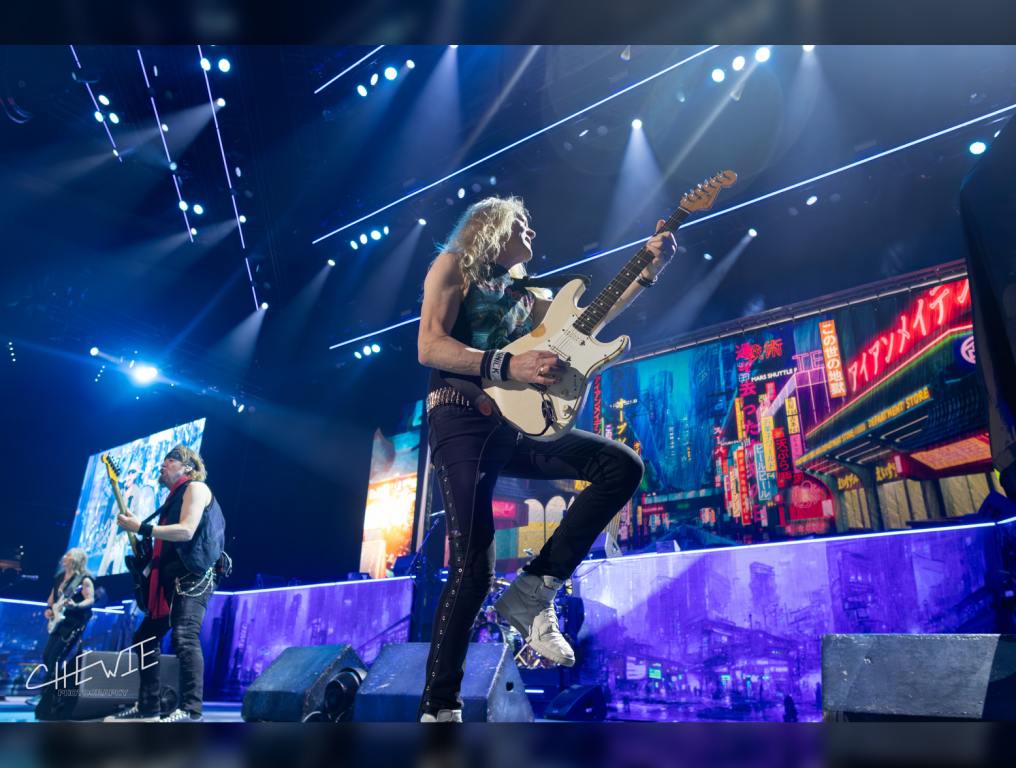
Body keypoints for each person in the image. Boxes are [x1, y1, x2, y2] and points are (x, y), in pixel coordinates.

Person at [416, 196, 675, 722]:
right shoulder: (451, 266)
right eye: (522, 223)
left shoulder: (527, 295)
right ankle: (438, 708)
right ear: (492, 227)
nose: (532, 230)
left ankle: (534, 590)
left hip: (515, 423)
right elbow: (429, 346)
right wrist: (506, 361)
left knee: (620, 465)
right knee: (473, 567)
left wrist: (648, 267)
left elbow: (587, 321)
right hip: (461, 418)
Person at [105, 445, 226, 723]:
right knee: (144, 640)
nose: (162, 465)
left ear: (187, 467)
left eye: (169, 460)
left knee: (185, 637)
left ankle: (191, 711)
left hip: (192, 578)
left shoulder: (196, 488)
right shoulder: (171, 499)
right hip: (170, 581)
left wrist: (141, 528)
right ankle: (148, 706)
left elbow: (186, 531)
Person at [40, 548, 95, 687]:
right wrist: (49, 610)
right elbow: (52, 600)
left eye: (68, 555)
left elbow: (90, 599)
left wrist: (75, 605)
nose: (64, 557)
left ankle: (50, 694)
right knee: (47, 656)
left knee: (56, 657)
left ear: (76, 560)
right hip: (58, 622)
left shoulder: (84, 579)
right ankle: (49, 692)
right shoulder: (60, 577)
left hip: (72, 623)